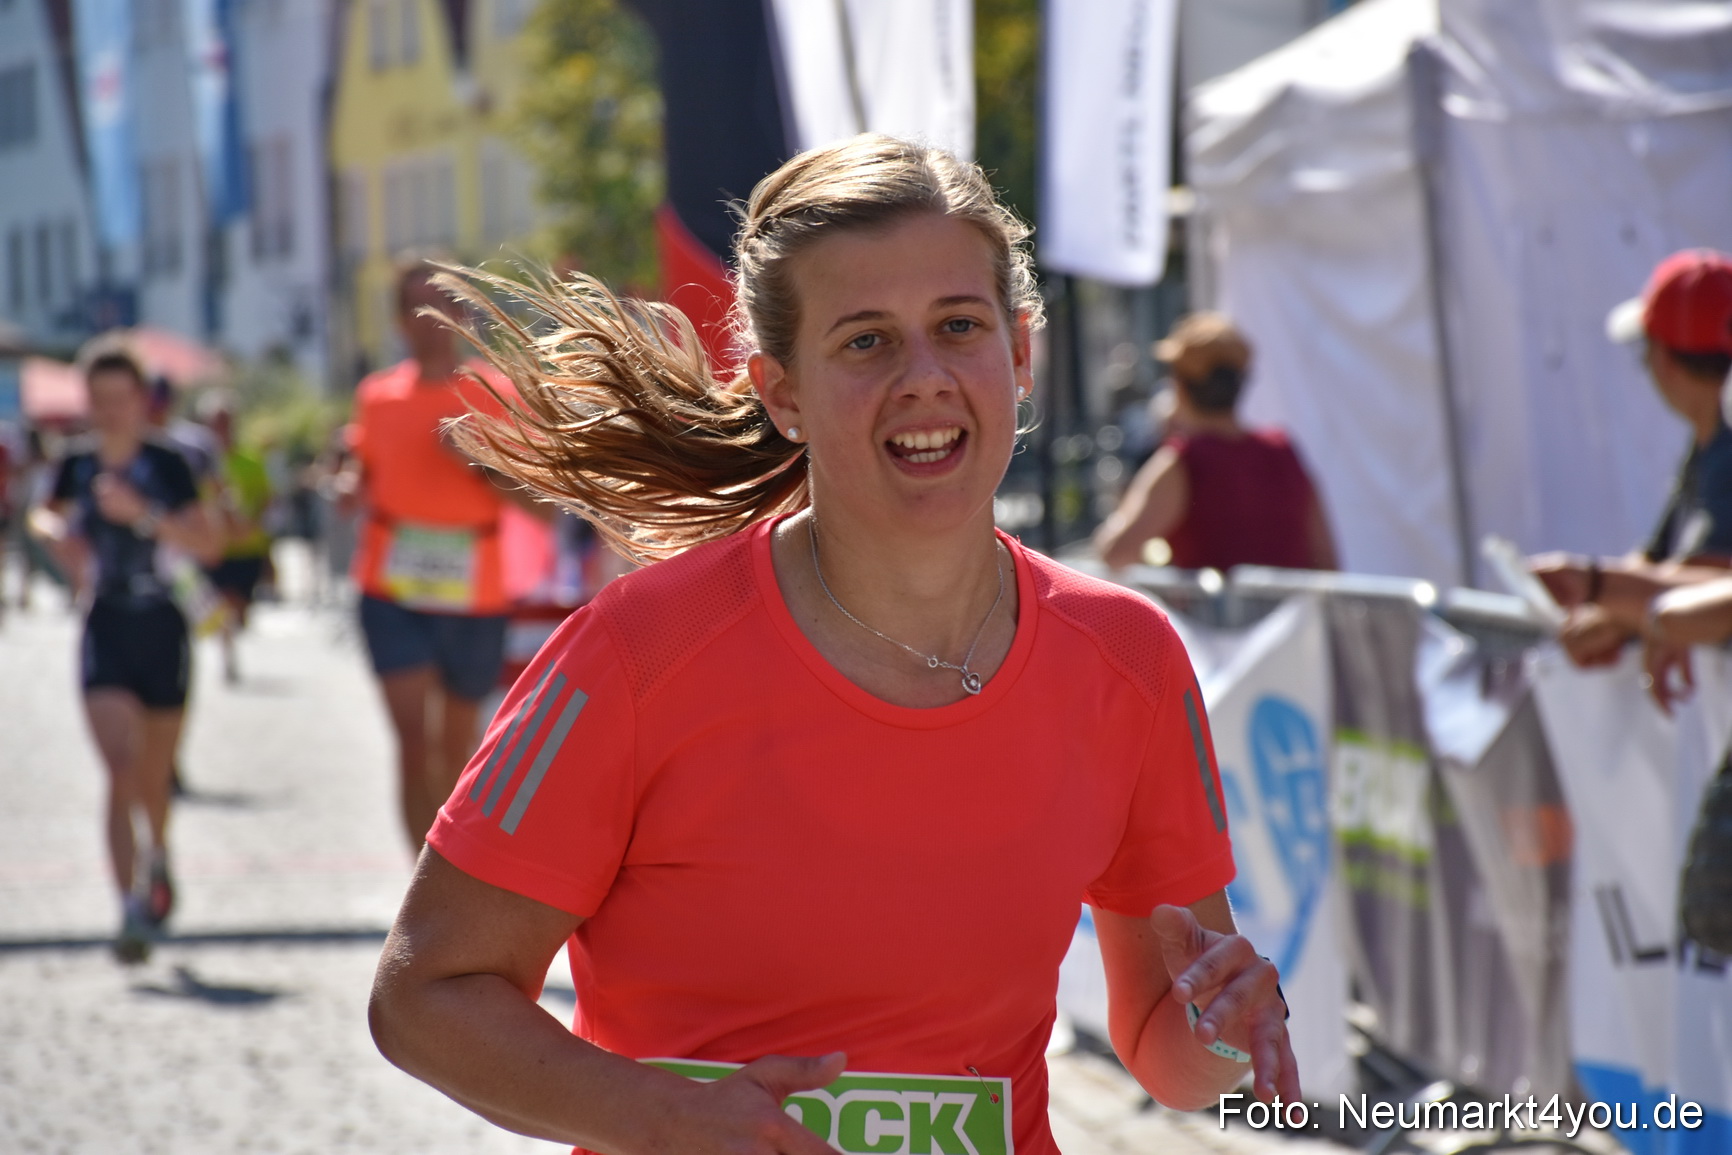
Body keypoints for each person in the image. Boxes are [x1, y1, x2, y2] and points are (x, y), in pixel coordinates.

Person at [368, 135, 1297, 1155]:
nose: (925, 378)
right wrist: (650, 1114)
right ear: (781, 391)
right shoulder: (638, 654)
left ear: (1019, 353)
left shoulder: (1128, 658)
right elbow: (426, 995)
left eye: (958, 326)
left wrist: (1225, 1027)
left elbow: (1167, 1053)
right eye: (865, 342)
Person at [338, 260, 540, 851]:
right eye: (417, 307)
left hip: (474, 592)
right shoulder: (376, 398)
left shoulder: (494, 393)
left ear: (463, 314)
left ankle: (449, 870)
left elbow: (542, 505)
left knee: (456, 749)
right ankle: (419, 888)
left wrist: (477, 460)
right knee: (412, 742)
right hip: (391, 588)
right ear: (400, 320)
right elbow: (362, 470)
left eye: (444, 304)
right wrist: (347, 485)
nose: (432, 319)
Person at [29, 344, 221, 962]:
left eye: (122, 399)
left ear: (143, 401)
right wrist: (58, 536)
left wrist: (144, 516)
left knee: (153, 775)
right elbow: (42, 515)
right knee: (118, 767)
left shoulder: (169, 464)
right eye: (100, 399)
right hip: (105, 622)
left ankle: (158, 858)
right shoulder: (75, 463)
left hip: (163, 624)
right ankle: (130, 909)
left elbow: (209, 544)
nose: (111, 412)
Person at [1531, 249, 1732, 667]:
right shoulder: (1708, 442)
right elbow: (1658, 560)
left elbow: (1716, 586)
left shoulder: (1725, 449)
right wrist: (1615, 612)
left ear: (1663, 359)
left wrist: (1595, 589)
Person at [1093, 313, 1337, 572]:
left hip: (1209, 614)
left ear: (1180, 388)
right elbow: (1326, 557)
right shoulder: (1283, 451)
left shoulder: (1183, 460)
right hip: (1294, 612)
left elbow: (1114, 552)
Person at [199, 395, 275, 683]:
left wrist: (252, 521)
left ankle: (231, 633)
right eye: (215, 422)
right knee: (221, 604)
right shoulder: (199, 461)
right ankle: (226, 653)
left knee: (239, 609)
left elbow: (267, 498)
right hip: (214, 547)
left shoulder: (250, 460)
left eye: (225, 422)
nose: (221, 428)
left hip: (247, 545)